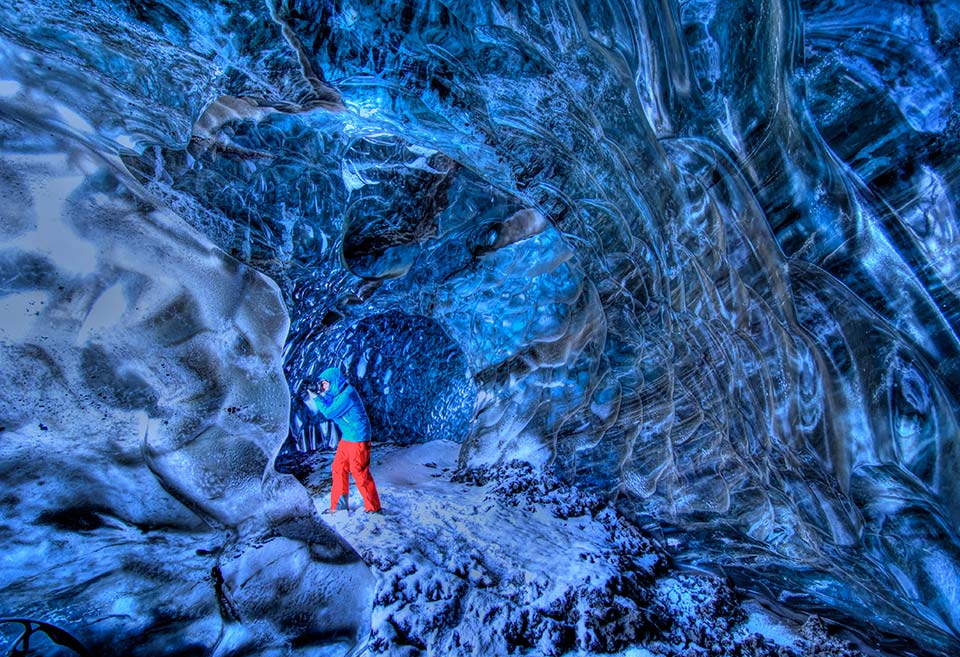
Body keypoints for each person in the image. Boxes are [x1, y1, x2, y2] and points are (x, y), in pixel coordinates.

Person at [302, 367, 382, 514]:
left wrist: (316, 397)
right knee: (338, 468)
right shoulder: (339, 392)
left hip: (358, 437)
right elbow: (330, 402)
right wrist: (317, 393)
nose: (323, 387)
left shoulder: (348, 395)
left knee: (359, 472)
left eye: (325, 384)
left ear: (333, 382)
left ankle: (374, 508)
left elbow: (329, 412)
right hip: (348, 436)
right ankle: (339, 506)